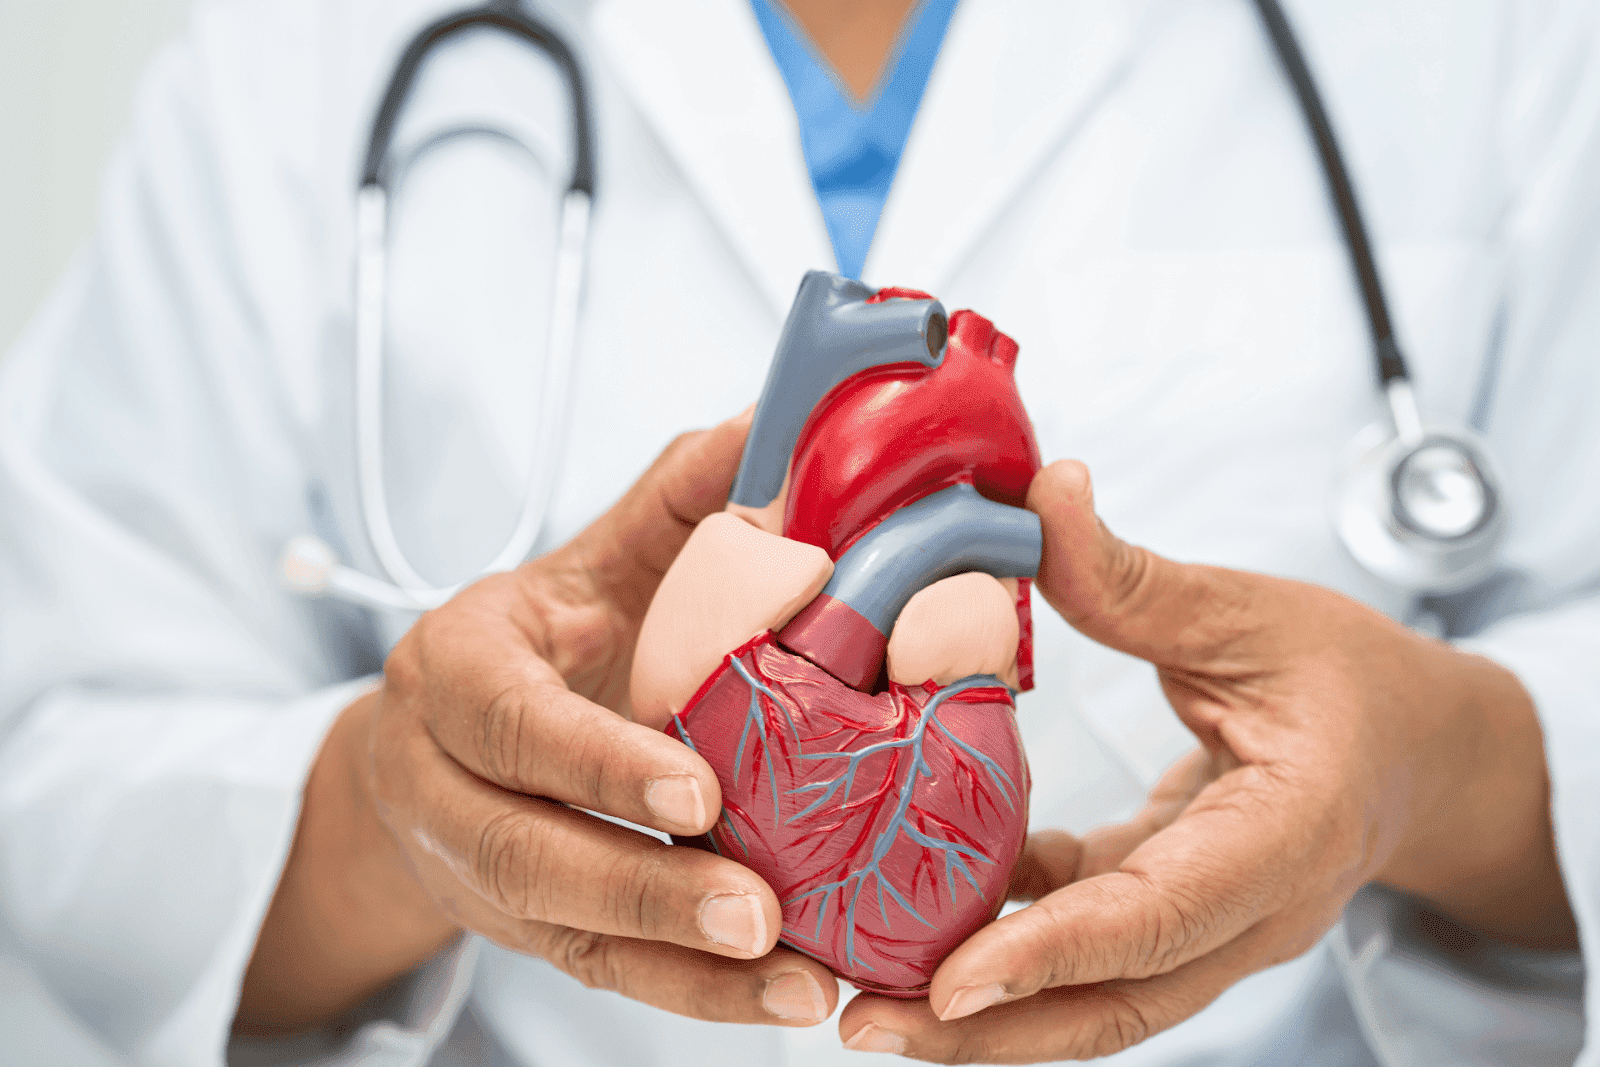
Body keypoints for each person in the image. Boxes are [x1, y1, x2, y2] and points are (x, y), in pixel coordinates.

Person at [1, 0, 1597, 1064]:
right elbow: (61, 768)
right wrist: (389, 807)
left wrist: (1438, 767)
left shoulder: (1489, 40)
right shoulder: (298, 52)